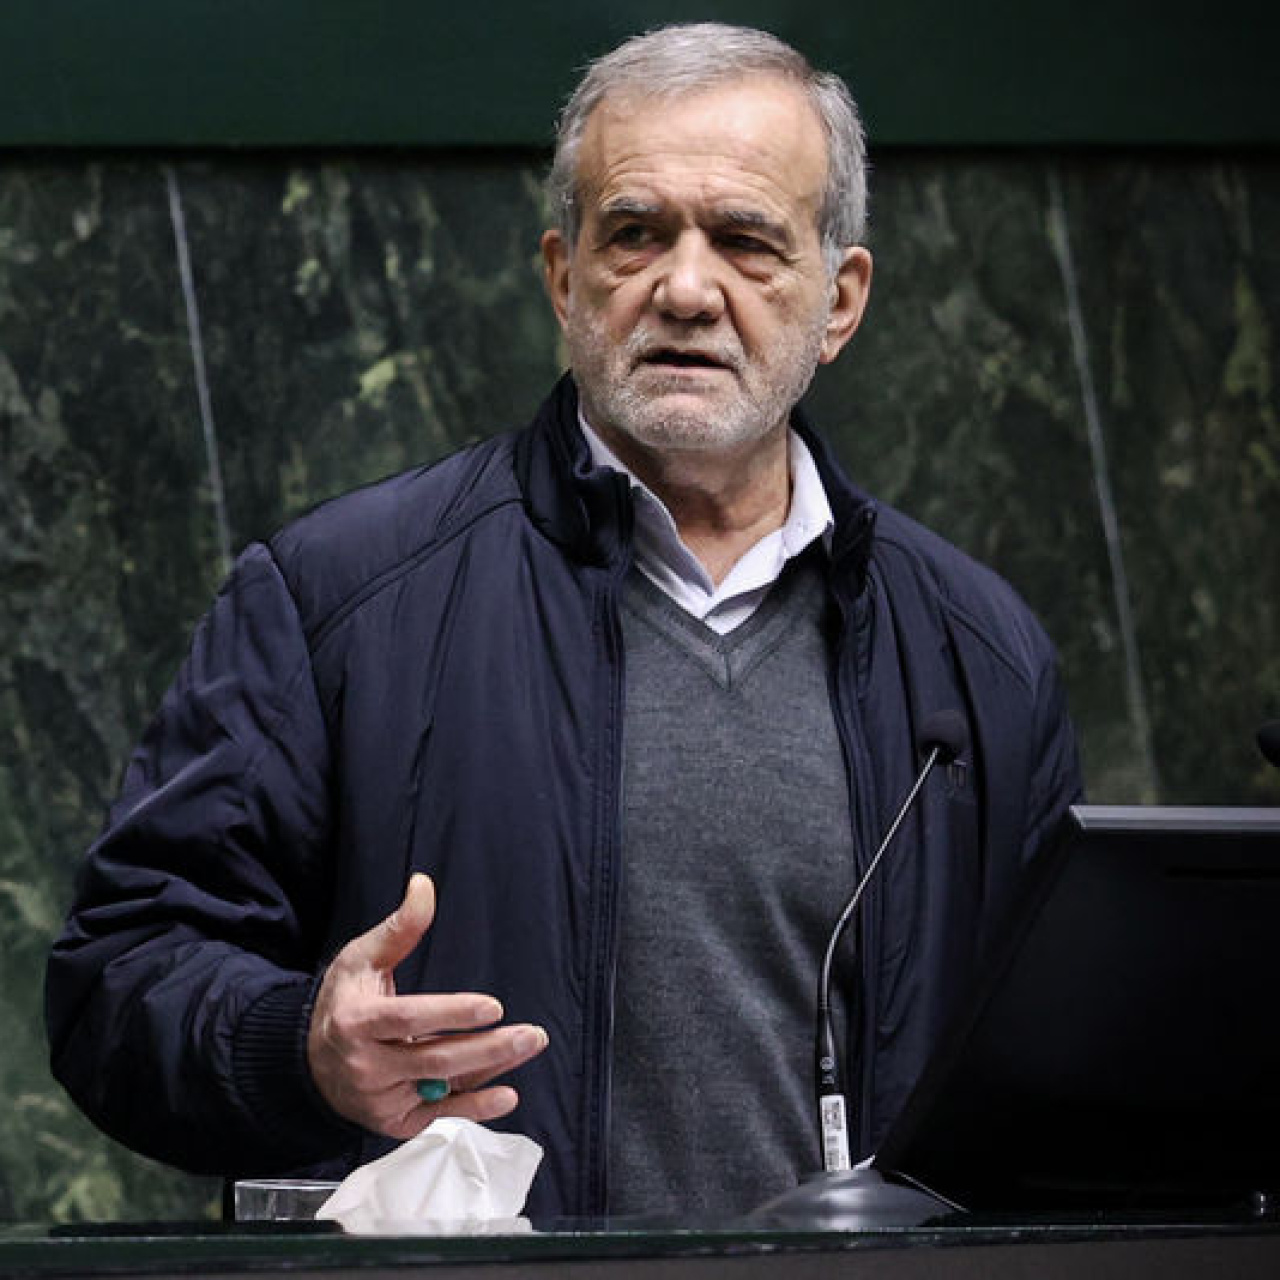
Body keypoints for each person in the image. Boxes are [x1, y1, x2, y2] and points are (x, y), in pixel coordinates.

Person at [45, 23, 1082, 1221]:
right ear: (561, 275)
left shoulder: (975, 653)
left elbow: (1059, 1075)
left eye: (744, 241)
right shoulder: (340, 599)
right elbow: (117, 977)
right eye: (634, 233)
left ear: (838, 300)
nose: (683, 289)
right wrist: (300, 1046)